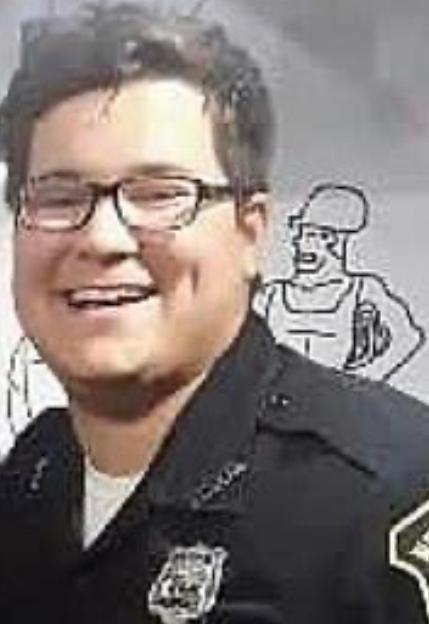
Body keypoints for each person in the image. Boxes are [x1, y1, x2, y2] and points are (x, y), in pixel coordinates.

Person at [0, 4, 428, 623]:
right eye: (59, 197)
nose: (101, 239)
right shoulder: (33, 477)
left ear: (251, 232)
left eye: (159, 195)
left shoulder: (388, 495)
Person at [255, 183, 425, 381]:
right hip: (278, 397)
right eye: (300, 233)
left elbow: (407, 337)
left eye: (309, 235)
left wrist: (363, 381)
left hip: (334, 396)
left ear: (333, 241)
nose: (298, 242)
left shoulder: (362, 289)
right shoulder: (271, 294)